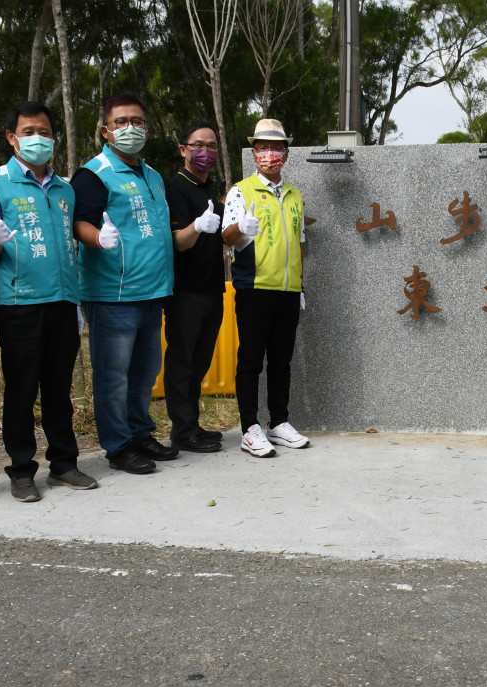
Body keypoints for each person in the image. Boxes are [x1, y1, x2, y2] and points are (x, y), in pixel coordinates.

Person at [0, 101, 97, 502]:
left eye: (44, 132)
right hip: (19, 303)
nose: (38, 139)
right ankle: (22, 471)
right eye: (29, 132)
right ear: (12, 137)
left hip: (63, 301)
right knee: (22, 390)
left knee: (59, 389)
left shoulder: (64, 189)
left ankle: (64, 464)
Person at [71, 93, 177, 475]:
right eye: (121, 122)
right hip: (113, 294)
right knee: (113, 375)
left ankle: (139, 432)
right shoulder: (94, 173)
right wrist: (97, 238)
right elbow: (80, 221)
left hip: (152, 291)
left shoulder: (152, 175)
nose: (130, 128)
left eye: (138, 121)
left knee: (145, 372)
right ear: (105, 130)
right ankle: (118, 446)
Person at [221, 118, 309, 458]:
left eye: (275, 148)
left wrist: (300, 286)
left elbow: (300, 242)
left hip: (287, 291)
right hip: (254, 288)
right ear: (254, 152)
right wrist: (241, 228)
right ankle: (249, 428)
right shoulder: (241, 191)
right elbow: (228, 237)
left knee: (282, 360)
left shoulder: (295, 195)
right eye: (262, 148)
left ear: (285, 154)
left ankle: (279, 422)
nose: (268, 154)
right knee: (251, 361)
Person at [164, 122, 226, 454]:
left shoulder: (208, 189)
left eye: (212, 146)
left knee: (200, 361)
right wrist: (197, 227)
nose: (206, 152)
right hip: (185, 292)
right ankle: (182, 430)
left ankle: (193, 423)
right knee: (182, 361)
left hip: (212, 288)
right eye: (198, 145)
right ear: (184, 149)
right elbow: (179, 242)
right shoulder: (177, 188)